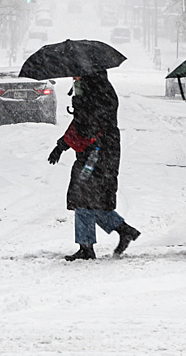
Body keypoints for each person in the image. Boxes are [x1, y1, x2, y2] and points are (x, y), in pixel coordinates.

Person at [47, 71, 141, 261]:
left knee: (83, 198)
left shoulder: (98, 91)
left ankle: (87, 247)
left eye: (76, 76)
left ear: (88, 74)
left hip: (99, 152)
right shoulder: (93, 90)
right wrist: (61, 145)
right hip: (97, 151)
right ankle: (121, 231)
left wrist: (79, 103)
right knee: (91, 200)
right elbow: (81, 122)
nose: (74, 79)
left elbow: (86, 124)